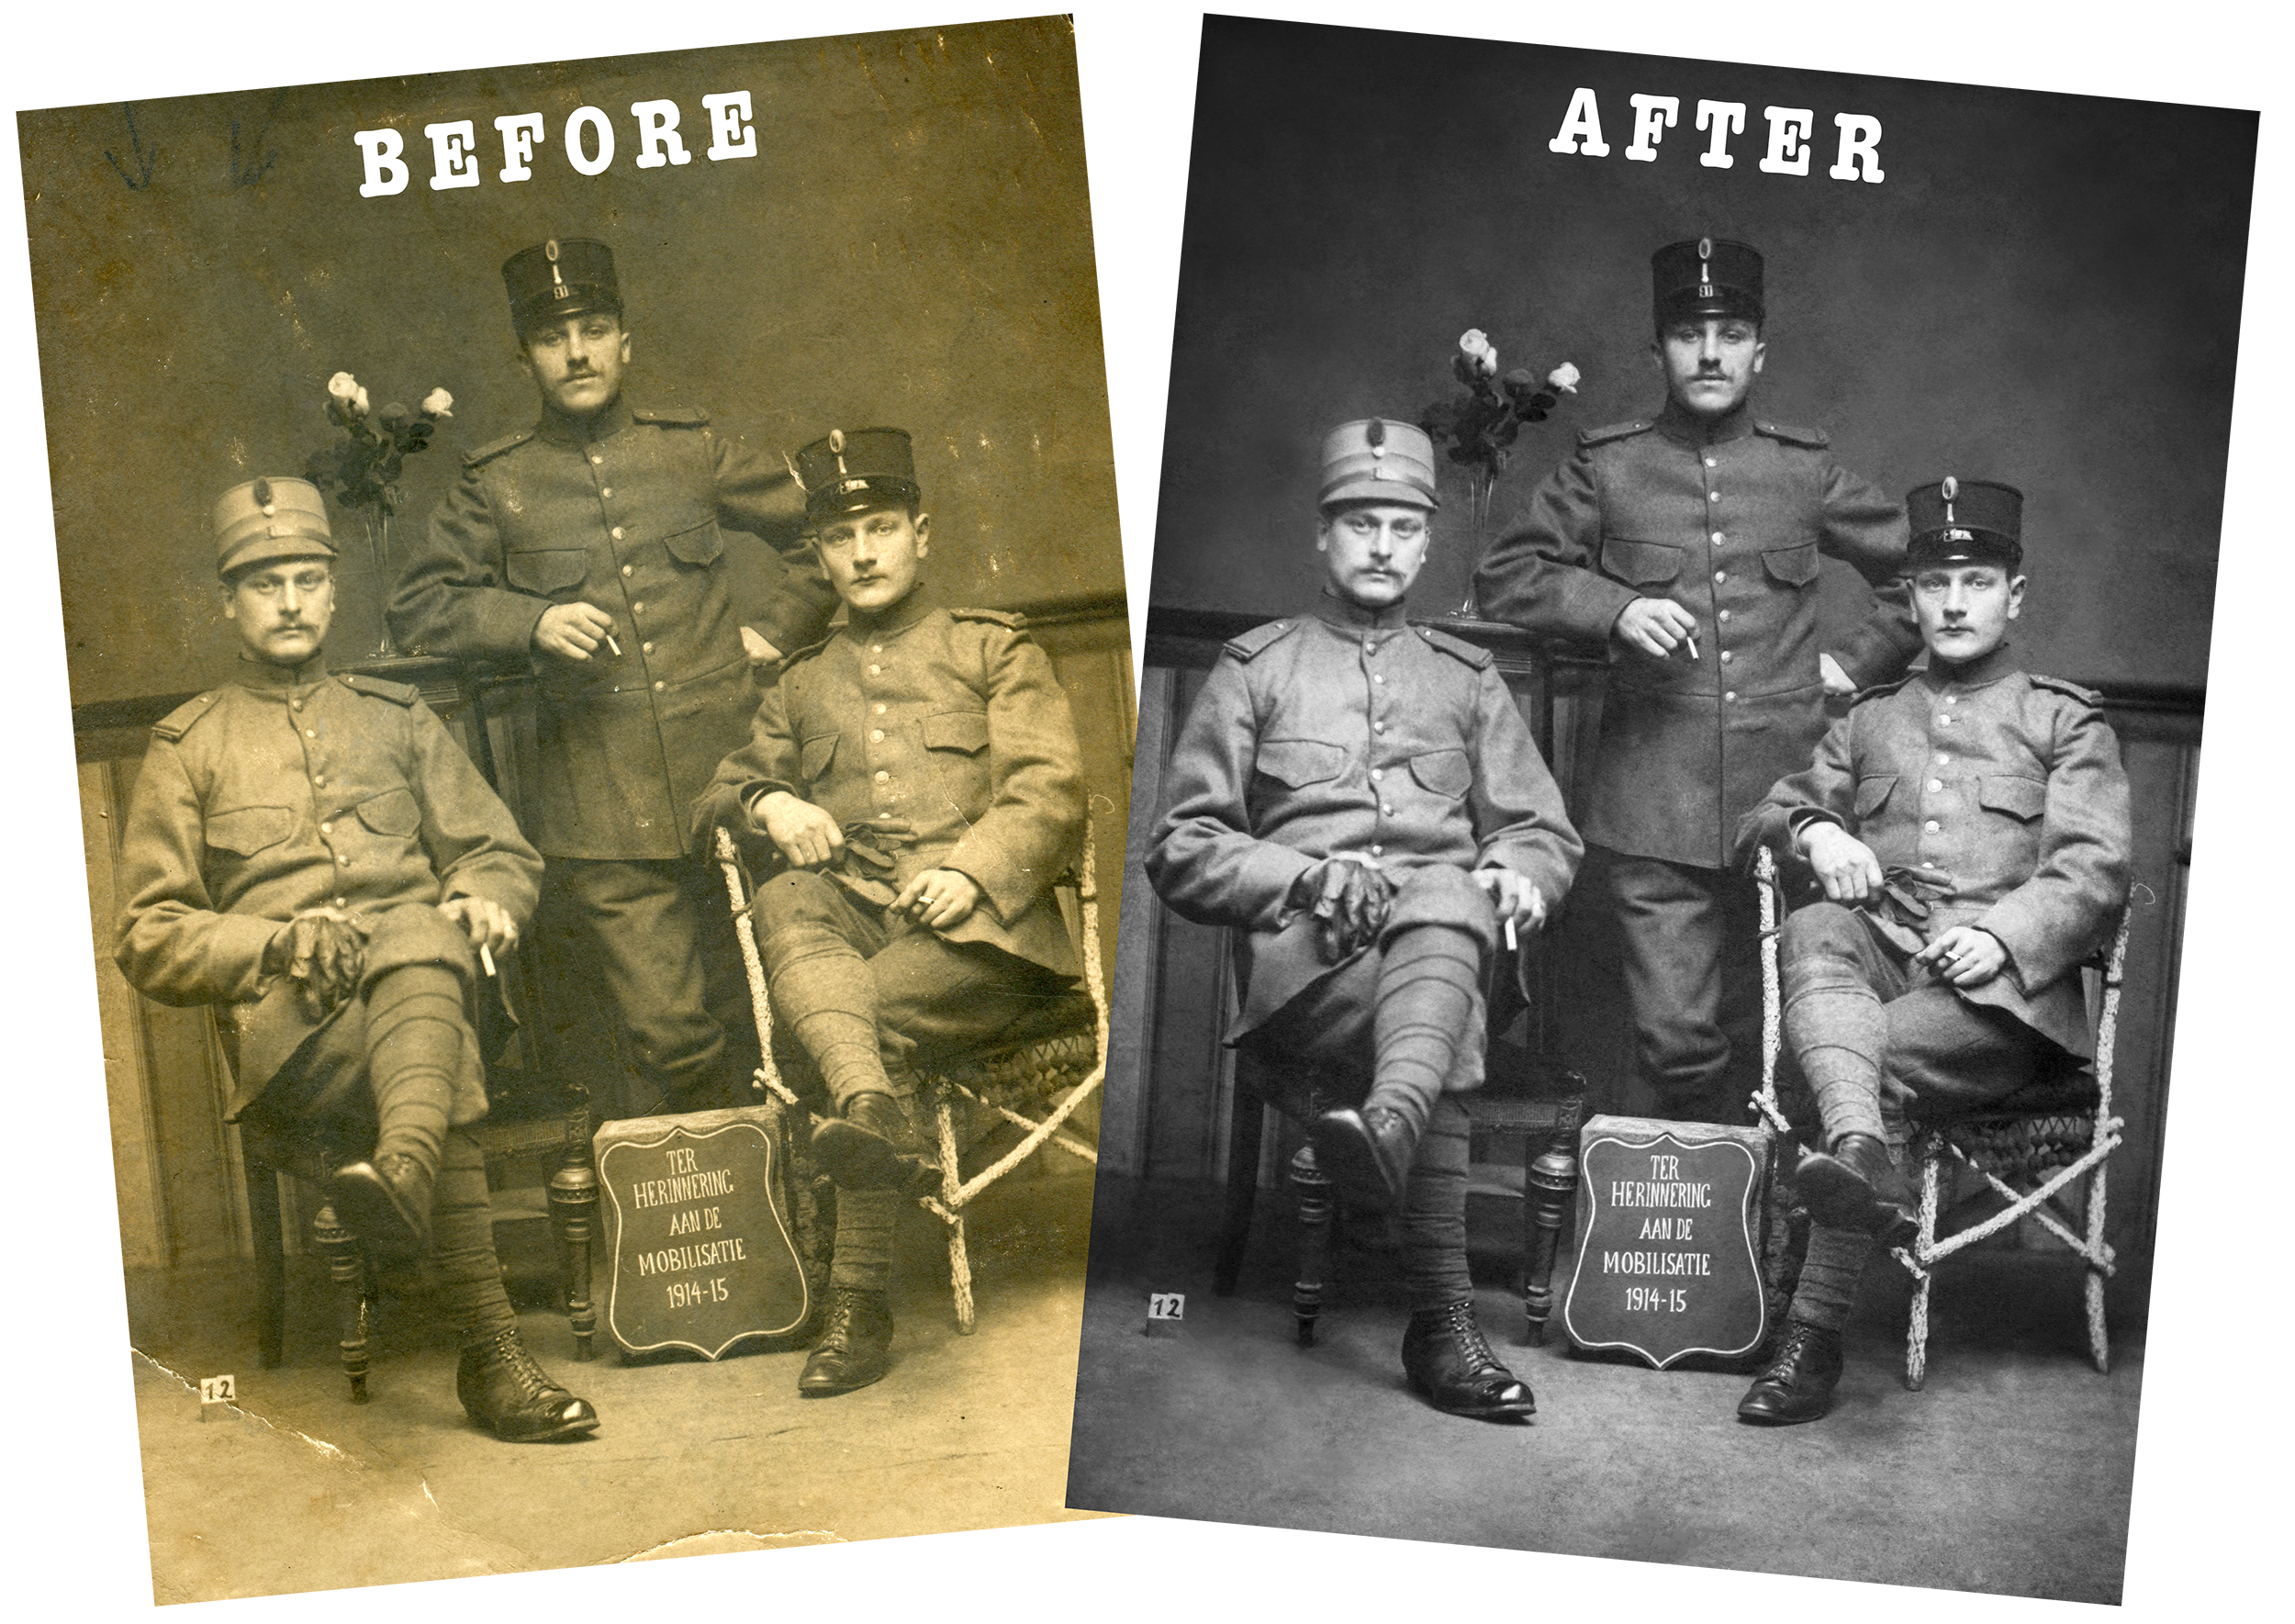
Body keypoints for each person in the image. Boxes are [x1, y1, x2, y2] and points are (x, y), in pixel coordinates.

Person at [116, 476, 599, 1442]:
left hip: (420, 1007)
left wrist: (484, 897)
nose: (289, 601)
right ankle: (490, 1354)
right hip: (299, 1040)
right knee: (434, 1015)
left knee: (422, 940)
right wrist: (276, 939)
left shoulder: (397, 717)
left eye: (306, 578)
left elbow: (497, 851)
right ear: (229, 603)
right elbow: (148, 931)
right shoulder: (189, 747)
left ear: (335, 593)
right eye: (264, 583)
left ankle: (406, 1183)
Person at [1146, 419, 1583, 1421]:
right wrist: (1301, 875)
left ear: (1427, 544)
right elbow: (1180, 845)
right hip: (1310, 974)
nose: (1381, 544)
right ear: (1322, 537)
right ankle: (1442, 1325)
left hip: (1444, 948)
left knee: (1448, 899)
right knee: (1447, 1001)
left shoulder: (1466, 678)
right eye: (1358, 523)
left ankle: (1388, 1132)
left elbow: (1539, 832)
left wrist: (1516, 871)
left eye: (1400, 526)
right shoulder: (1257, 667)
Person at [1471, 237, 1919, 1126]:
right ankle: (1689, 1213)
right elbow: (1507, 573)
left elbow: (1923, 575)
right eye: (1688, 332)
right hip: (1650, 804)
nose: (1709, 352)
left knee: (1787, 1034)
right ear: (1658, 351)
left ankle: (1760, 1237)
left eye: (1731, 331)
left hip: (1789, 803)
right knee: (1676, 1039)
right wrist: (1613, 609)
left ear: (1761, 350)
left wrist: (1854, 661)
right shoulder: (1610, 465)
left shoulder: (1801, 469)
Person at [388, 238, 837, 1117]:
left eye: (595, 329)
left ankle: (808, 1224)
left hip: (739, 781)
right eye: (555, 338)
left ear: (626, 339)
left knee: (792, 1008)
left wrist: (772, 631)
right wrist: (529, 620)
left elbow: (826, 531)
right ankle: (722, 1231)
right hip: (602, 810)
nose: (579, 352)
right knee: (673, 1036)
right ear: (527, 356)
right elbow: (419, 604)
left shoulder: (692, 451)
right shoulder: (499, 481)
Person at [691, 427, 1090, 1397]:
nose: (862, 553)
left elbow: (1049, 788)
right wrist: (772, 802)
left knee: (851, 1015)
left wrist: (972, 868)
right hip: (867, 927)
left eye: (879, 528)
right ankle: (869, 1111)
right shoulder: (799, 681)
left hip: (990, 945)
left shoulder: (990, 647)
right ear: (818, 555)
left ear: (922, 533)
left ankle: (857, 1304)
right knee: (789, 894)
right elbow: (721, 792)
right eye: (839, 537)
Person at [1731, 476, 2132, 1424]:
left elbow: (2094, 868)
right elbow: (1768, 812)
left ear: (2014, 595)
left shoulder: (2063, 719)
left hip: (2000, 1006)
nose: (1954, 602)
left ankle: (1810, 1336)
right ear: (1908, 598)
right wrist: (1819, 831)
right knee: (1813, 925)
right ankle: (1862, 1154)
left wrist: (2000, 934)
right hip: (1880, 964)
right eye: (1935, 582)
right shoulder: (1870, 716)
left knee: (1866, 1056)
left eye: (1978, 580)